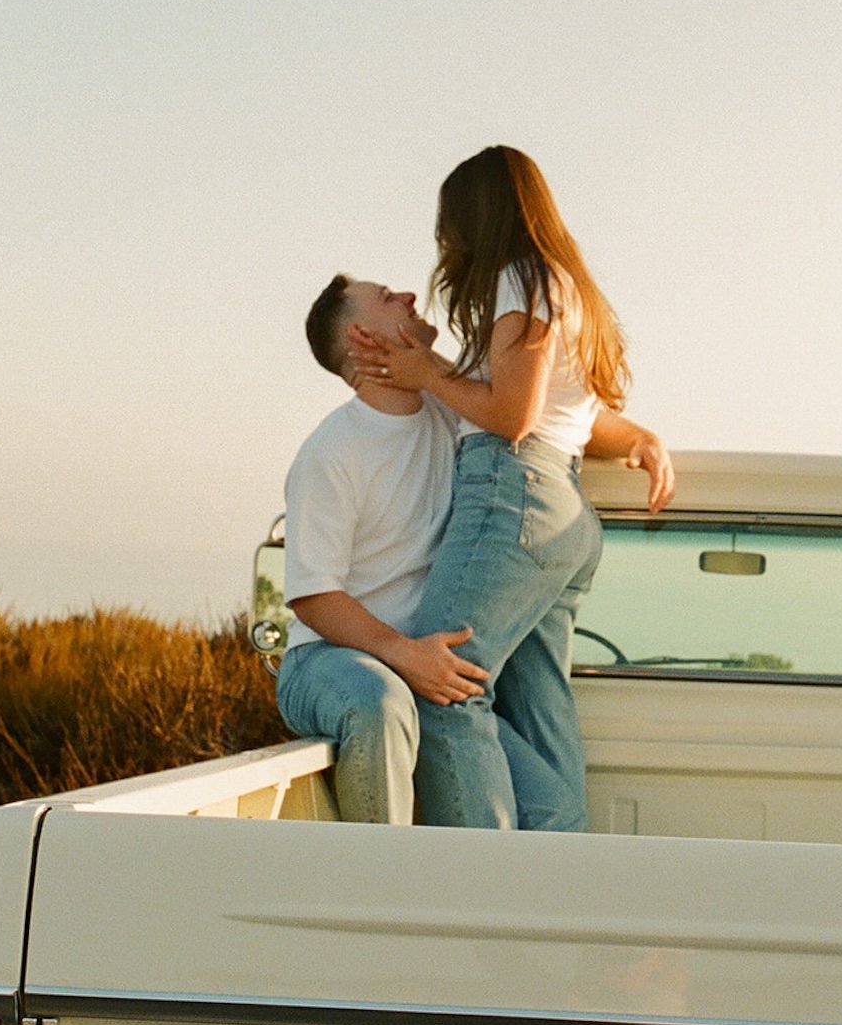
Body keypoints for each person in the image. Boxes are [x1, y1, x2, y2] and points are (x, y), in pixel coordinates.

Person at [349, 145, 673, 833]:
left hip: (512, 495)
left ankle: (495, 884)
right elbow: (567, 415)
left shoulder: (519, 279)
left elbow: (512, 416)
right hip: (559, 511)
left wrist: (425, 376)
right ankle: (560, 866)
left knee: (439, 686)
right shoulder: (558, 284)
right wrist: (639, 436)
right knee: (535, 709)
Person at [279, 269, 672, 828]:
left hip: (429, 670)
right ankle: (381, 879)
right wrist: (402, 654)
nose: (411, 295)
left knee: (553, 808)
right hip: (330, 660)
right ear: (364, 336)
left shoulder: (451, 410)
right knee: (381, 702)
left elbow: (551, 417)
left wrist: (639, 439)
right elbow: (313, 597)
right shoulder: (332, 450)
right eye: (390, 298)